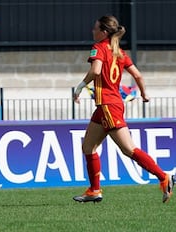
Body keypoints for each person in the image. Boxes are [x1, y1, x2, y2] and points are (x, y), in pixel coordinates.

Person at [72, 15, 174, 203]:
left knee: (128, 149)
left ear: (104, 32)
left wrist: (79, 87)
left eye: (95, 28)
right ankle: (94, 190)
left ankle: (163, 176)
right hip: (107, 105)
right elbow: (138, 75)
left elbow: (95, 71)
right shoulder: (119, 52)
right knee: (88, 146)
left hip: (108, 105)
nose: (92, 31)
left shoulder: (99, 48)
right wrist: (144, 94)